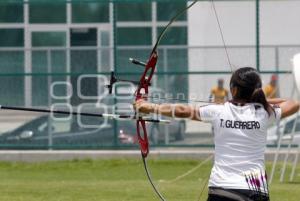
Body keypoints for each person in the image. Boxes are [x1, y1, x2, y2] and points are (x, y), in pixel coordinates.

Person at [134, 67, 299, 201]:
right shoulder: (265, 113)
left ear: (233, 89)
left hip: (222, 190)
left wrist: (148, 107)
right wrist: (258, 101)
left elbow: (182, 111)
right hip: (255, 191)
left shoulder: (218, 111)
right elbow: (292, 103)